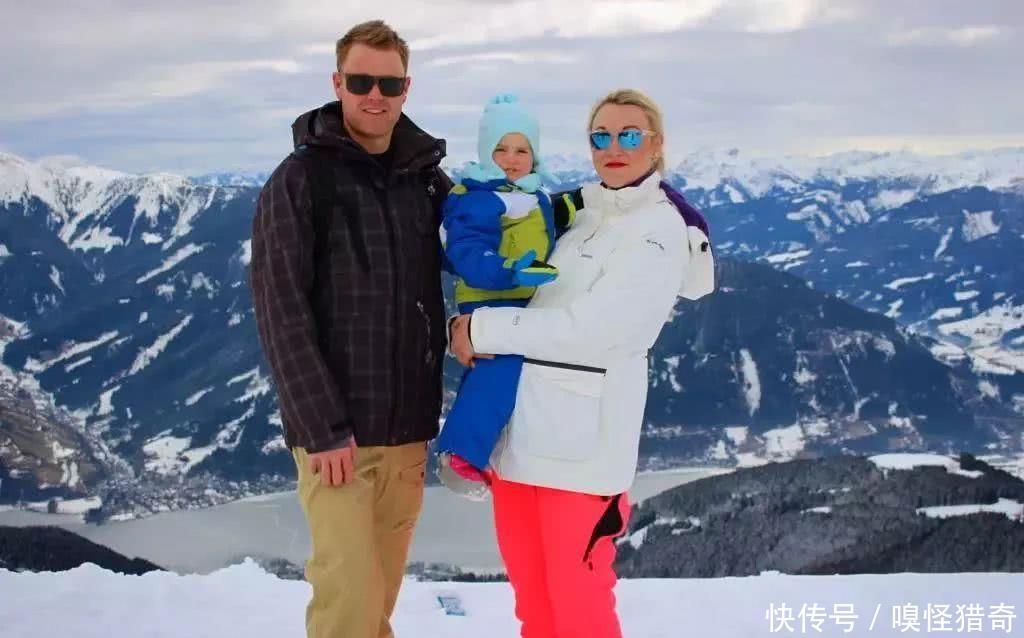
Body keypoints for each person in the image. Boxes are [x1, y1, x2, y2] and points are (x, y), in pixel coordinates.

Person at [449, 88, 715, 638]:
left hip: (581, 459)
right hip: (521, 444)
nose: (613, 148)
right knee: (535, 606)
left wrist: (479, 328)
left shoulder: (658, 231)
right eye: (601, 136)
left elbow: (593, 332)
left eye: (629, 135)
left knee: (579, 609)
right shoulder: (584, 216)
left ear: (656, 144)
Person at [248, 20, 450, 638]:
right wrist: (322, 428)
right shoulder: (300, 179)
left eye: (389, 83)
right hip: (338, 441)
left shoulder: (424, 180)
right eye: (361, 81)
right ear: (337, 83)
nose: (375, 95)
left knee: (376, 606)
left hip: (407, 435)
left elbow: (480, 254)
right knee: (348, 608)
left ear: (407, 88)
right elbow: (280, 309)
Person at [434, 93, 569, 500]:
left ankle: (496, 453)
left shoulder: (531, 193)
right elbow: (467, 252)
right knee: (500, 366)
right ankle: (461, 454)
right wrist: (509, 271)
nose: (511, 159)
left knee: (518, 374)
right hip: (488, 296)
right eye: (501, 149)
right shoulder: (480, 196)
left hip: (520, 297)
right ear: (485, 152)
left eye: (521, 150)